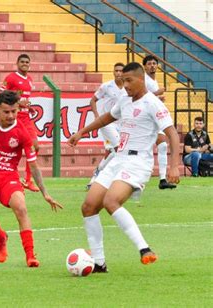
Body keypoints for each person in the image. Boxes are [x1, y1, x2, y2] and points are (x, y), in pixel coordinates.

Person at [68, 62, 180, 272]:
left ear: (141, 79)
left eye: (129, 80)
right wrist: (81, 132)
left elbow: (172, 133)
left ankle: (144, 249)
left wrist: (174, 166)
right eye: (122, 80)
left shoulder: (153, 103)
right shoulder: (125, 100)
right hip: (119, 158)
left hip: (138, 162)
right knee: (88, 206)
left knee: (111, 200)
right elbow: (106, 118)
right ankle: (100, 263)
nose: (125, 84)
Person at [0, 90, 63, 267]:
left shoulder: (22, 133)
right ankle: (0, 237)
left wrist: (45, 193)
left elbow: (34, 165)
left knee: (21, 207)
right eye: (6, 112)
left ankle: (30, 255)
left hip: (9, 177)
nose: (11, 116)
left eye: (14, 111)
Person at [0, 54, 40, 192]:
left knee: (35, 146)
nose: (24, 64)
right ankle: (9, 178)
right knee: (10, 149)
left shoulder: (29, 79)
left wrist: (28, 107)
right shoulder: (11, 78)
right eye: (22, 62)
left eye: (27, 62)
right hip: (14, 118)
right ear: (17, 63)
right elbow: (2, 95)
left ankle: (28, 180)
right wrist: (17, 103)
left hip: (26, 117)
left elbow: (24, 99)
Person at [87, 63, 126, 189]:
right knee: (118, 148)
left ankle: (98, 174)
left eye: (121, 71)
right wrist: (97, 116)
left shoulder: (128, 87)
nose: (119, 73)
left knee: (113, 151)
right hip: (107, 122)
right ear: (113, 72)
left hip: (122, 123)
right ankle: (108, 179)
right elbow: (93, 100)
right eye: (116, 71)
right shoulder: (107, 86)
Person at [143, 55, 176, 189]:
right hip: (146, 118)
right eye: (149, 64)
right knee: (145, 148)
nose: (152, 66)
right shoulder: (144, 80)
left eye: (154, 63)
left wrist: (158, 98)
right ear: (144, 66)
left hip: (155, 117)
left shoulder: (153, 80)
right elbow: (142, 96)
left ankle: (163, 179)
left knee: (162, 146)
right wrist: (157, 93)